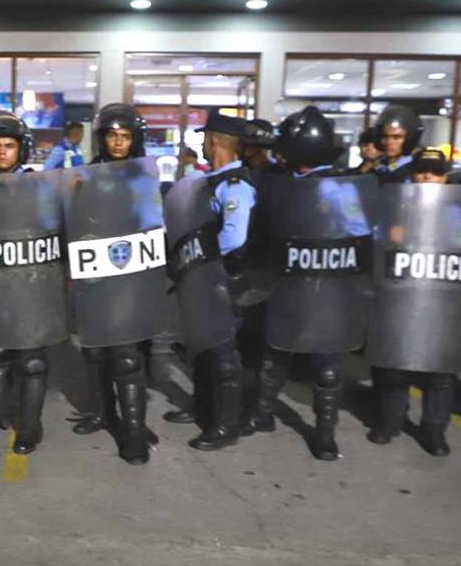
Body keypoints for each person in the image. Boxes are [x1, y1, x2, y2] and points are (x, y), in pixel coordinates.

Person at [252, 106, 366, 461]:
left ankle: (324, 432)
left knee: (325, 361)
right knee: (277, 352)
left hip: (326, 281)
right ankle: (264, 414)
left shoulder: (339, 187)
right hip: (290, 278)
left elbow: (360, 234)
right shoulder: (282, 182)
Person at [70, 103, 158, 463]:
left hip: (131, 275)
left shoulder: (143, 178)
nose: (119, 143)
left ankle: (134, 431)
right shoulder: (87, 175)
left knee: (126, 355)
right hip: (95, 274)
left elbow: (153, 224)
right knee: (95, 351)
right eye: (112, 136)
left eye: (125, 137)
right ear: (102, 138)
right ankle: (102, 412)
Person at [367, 148, 461, 456]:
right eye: (421, 170)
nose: (426, 177)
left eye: (434, 172)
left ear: (445, 176)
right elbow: (376, 239)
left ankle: (434, 430)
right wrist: (391, 236)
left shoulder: (459, 210)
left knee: (440, 371)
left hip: (444, 297)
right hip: (404, 295)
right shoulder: (397, 205)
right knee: (396, 362)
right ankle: (390, 422)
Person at [164, 113, 251, 451]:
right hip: (202, 280)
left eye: (204, 138)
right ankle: (202, 409)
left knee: (222, 355)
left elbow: (234, 236)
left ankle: (225, 425)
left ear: (215, 141)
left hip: (223, 280)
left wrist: (196, 259)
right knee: (201, 349)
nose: (201, 144)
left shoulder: (235, 186)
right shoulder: (210, 181)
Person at [0, 111, 53, 455]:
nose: (3, 152)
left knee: (31, 361)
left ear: (22, 149)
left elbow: (54, 227)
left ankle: (29, 428)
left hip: (31, 284)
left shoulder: (38, 186)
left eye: (9, 146)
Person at [373, 104, 423, 184]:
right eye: (385, 137)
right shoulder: (377, 167)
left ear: (410, 138)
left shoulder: (418, 170)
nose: (389, 142)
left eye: (397, 137)